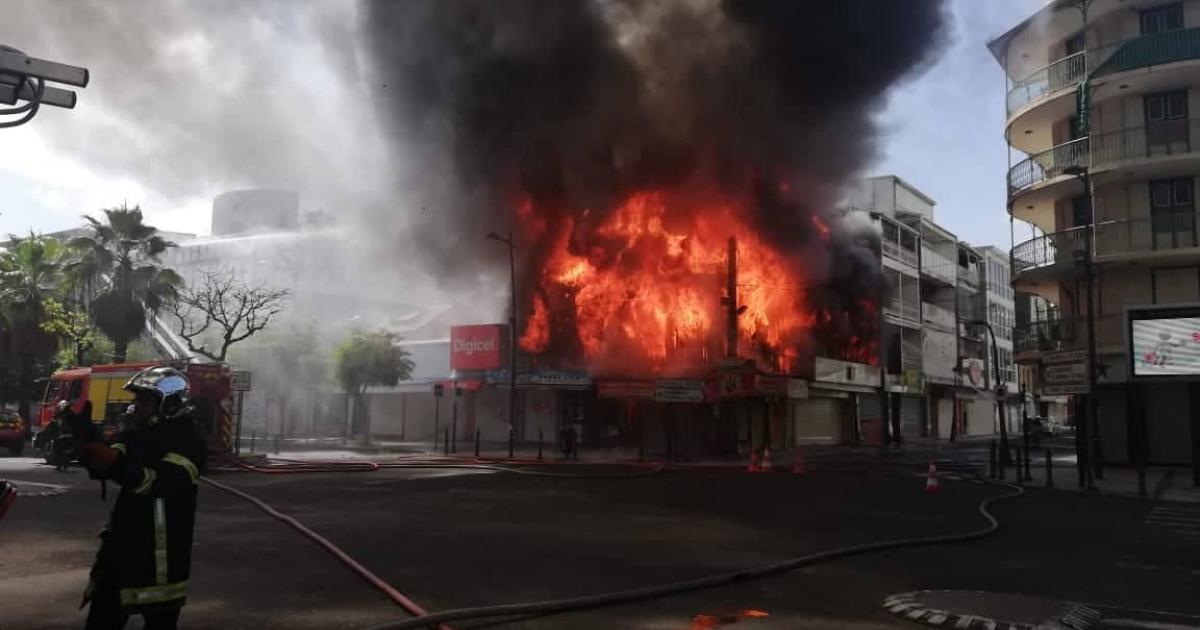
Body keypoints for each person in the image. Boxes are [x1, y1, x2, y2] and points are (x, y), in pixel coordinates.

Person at [77, 366, 206, 630]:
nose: (135, 405)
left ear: (169, 404)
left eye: (143, 399)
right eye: (136, 398)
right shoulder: (135, 433)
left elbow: (154, 481)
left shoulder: (189, 441)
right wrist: (88, 442)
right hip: (121, 550)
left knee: (160, 623)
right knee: (101, 618)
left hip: (161, 559)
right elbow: (111, 458)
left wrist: (114, 463)